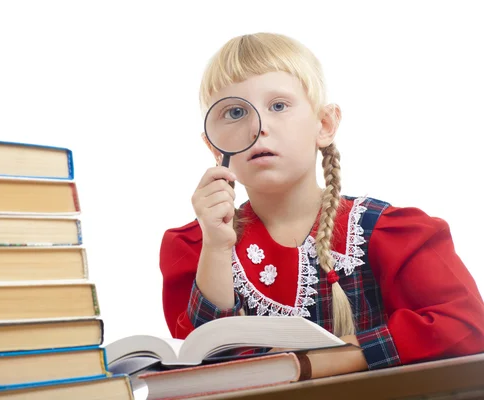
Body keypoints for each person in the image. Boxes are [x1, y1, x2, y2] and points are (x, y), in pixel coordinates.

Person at [159, 32, 484, 379]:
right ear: (213, 146)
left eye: (279, 106)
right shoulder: (197, 246)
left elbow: (467, 325)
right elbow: (200, 369)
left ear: (324, 125)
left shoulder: (385, 232)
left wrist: (331, 359)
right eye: (235, 112)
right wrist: (216, 248)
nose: (258, 126)